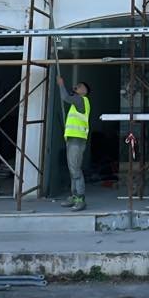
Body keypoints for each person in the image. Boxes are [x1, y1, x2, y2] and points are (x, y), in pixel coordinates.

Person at [58, 73, 91, 209]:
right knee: (72, 169)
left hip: (77, 139)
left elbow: (65, 97)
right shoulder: (77, 101)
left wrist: (61, 85)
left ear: (85, 91)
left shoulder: (81, 100)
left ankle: (80, 199)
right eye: (77, 86)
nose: (77, 87)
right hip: (73, 139)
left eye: (80, 86)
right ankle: (74, 196)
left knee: (75, 169)